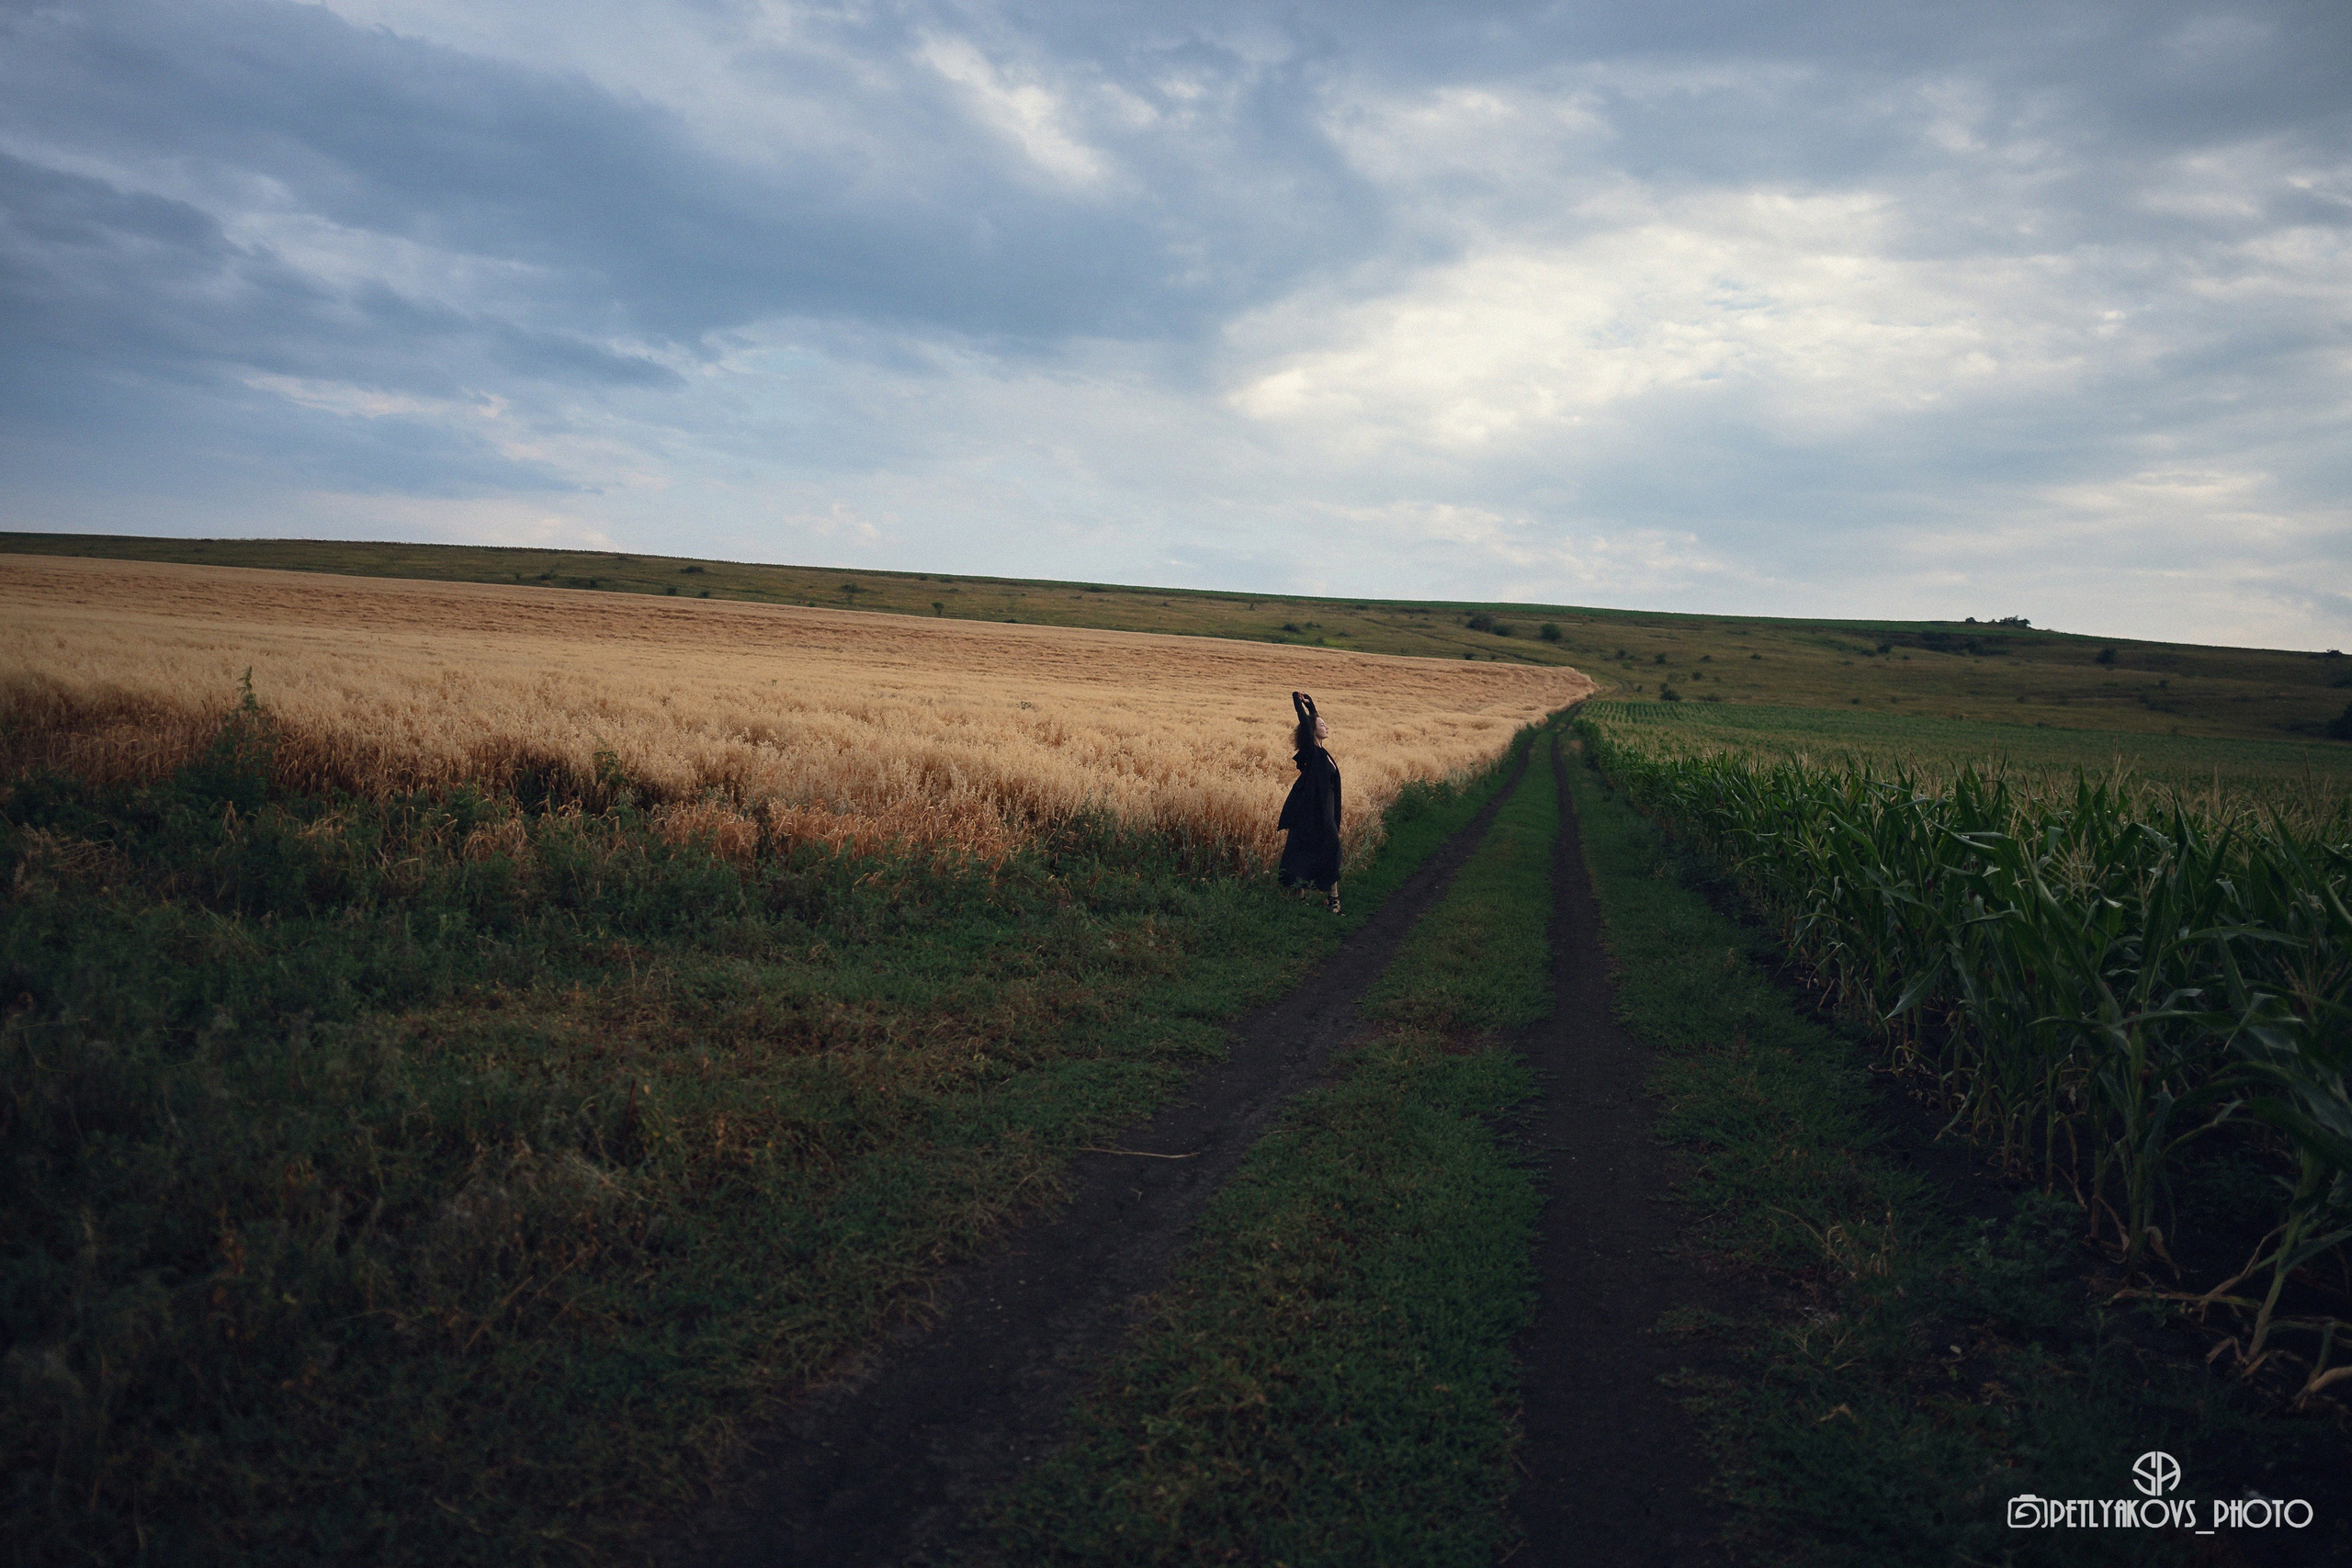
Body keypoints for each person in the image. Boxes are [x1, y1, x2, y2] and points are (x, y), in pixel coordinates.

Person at [1277, 690, 1343, 913]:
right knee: (1306, 850)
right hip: (1310, 811)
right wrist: (1298, 701)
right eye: (1322, 725)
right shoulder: (1312, 752)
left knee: (1316, 849)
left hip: (1324, 811)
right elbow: (1305, 723)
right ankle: (1331, 900)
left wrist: (1313, 705)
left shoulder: (1323, 753)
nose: (1327, 727)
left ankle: (1318, 898)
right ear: (1313, 730)